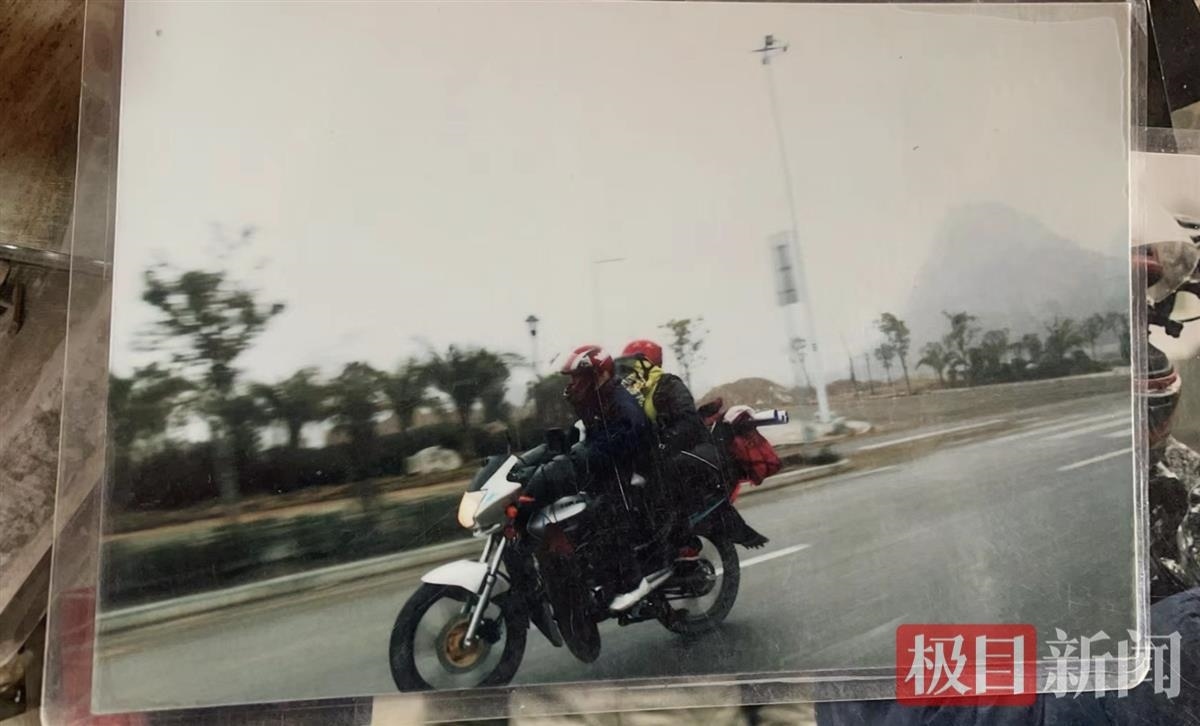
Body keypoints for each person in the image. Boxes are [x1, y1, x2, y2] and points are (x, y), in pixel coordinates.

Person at [522, 344, 673, 611]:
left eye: (578, 378)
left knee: (603, 510)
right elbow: (581, 438)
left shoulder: (619, 400)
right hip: (616, 471)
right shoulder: (595, 401)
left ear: (599, 375)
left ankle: (631, 582)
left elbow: (622, 436)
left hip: (641, 473)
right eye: (572, 379)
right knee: (573, 508)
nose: (573, 384)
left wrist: (580, 457)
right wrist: (530, 462)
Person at [617, 339, 768, 549]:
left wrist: (664, 442)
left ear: (647, 363)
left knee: (658, 488)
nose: (627, 371)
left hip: (687, 451)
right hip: (656, 453)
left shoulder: (669, 385)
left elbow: (687, 421)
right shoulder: (634, 393)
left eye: (632, 364)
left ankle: (679, 545)